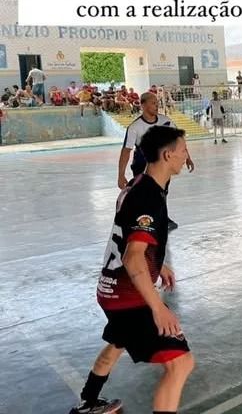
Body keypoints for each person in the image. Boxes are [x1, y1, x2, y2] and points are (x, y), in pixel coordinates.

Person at [68, 125, 194, 414]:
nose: (187, 155)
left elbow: (127, 239)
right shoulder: (148, 197)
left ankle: (88, 403)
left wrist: (158, 263)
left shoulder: (137, 185)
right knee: (180, 363)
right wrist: (158, 308)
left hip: (110, 289)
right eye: (183, 149)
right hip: (128, 298)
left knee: (117, 343)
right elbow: (133, 258)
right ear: (167, 155)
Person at [118, 91, 195, 231]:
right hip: (142, 164)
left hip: (162, 165)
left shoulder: (166, 121)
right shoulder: (135, 127)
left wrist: (188, 157)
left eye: (157, 103)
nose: (156, 106)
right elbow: (126, 151)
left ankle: (161, 217)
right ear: (143, 105)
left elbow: (178, 141)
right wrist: (121, 174)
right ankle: (142, 220)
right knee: (144, 193)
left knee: (162, 192)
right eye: (153, 103)